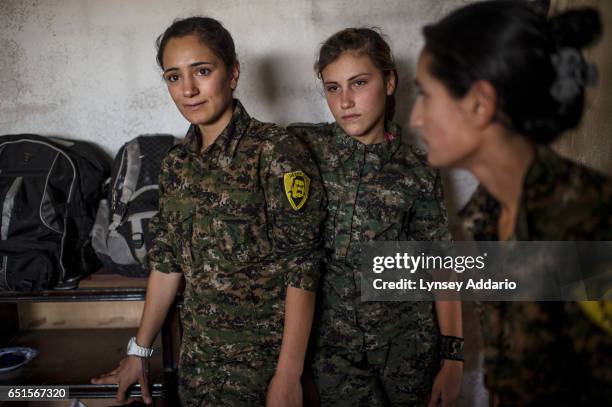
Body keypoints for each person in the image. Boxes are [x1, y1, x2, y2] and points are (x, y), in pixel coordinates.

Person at [91, 16, 326, 407]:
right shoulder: (176, 163)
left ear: (232, 73)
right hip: (199, 371)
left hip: (266, 371)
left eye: (202, 71)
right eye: (173, 76)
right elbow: (167, 263)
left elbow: (302, 268)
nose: (188, 89)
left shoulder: (275, 151)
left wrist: (288, 376)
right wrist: (140, 350)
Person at [410, 1, 612, 405]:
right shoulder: (490, 213)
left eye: (426, 96)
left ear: (480, 104)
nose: (415, 117)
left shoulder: (583, 221)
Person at [288, 28, 463, 407]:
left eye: (359, 83)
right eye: (333, 88)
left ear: (389, 82)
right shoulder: (303, 148)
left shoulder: (418, 170)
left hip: (408, 347)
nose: (345, 101)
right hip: (334, 353)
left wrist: (453, 359)